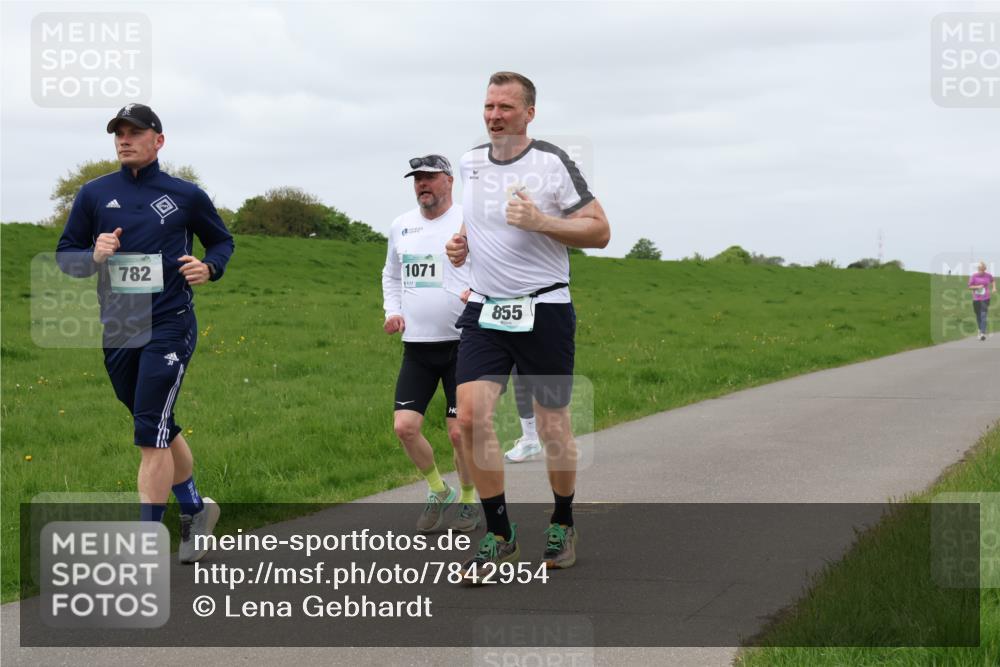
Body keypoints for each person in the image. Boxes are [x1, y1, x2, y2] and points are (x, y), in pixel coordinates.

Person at [445, 72, 610, 577]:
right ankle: (500, 532)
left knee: (552, 425)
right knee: (470, 418)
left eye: (506, 108)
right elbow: (476, 223)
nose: (495, 115)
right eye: (489, 106)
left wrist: (542, 222)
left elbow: (600, 230)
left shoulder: (552, 162)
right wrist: (461, 244)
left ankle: (562, 520)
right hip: (486, 309)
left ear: (529, 113)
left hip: (545, 308)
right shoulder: (470, 162)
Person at [56, 103, 234, 563]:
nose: (124, 139)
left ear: (159, 140)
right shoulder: (94, 194)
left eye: (135, 132)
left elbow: (221, 240)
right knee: (155, 425)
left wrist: (209, 267)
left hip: (170, 324)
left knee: (148, 437)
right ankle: (196, 509)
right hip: (118, 328)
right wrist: (93, 254)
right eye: (118, 132)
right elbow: (65, 257)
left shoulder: (185, 195)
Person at [382, 154, 481, 533]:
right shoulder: (401, 226)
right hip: (418, 345)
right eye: (417, 179)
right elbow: (391, 274)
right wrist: (392, 310)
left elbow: (490, 267)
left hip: (463, 342)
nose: (422, 184)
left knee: (459, 432)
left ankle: (470, 500)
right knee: (404, 427)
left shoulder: (466, 221)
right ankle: (439, 490)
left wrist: (476, 291)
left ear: (449, 181)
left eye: (429, 178)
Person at [968, 261, 996, 341]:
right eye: (980, 270)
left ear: (985, 269)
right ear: (978, 269)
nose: (981, 272)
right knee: (978, 315)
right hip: (976, 299)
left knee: (983, 315)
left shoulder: (988, 275)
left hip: (985, 298)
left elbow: (993, 280)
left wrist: (994, 287)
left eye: (982, 270)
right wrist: (977, 286)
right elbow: (969, 287)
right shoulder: (974, 276)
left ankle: (983, 333)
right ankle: (980, 330)